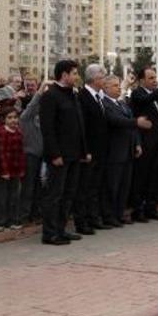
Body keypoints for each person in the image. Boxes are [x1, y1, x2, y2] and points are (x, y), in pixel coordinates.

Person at [40, 59, 90, 246]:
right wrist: (54, 154)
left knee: (69, 194)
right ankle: (50, 233)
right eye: (74, 73)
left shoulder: (72, 95)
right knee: (55, 195)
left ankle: (60, 229)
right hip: (59, 156)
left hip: (75, 154)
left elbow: (80, 125)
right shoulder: (50, 96)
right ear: (64, 75)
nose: (77, 77)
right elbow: (47, 128)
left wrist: (84, 151)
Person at [102, 75, 150, 226]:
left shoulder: (122, 104)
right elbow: (117, 121)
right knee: (112, 185)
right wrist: (136, 122)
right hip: (115, 151)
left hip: (128, 150)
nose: (118, 88)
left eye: (118, 85)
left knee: (124, 186)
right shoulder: (105, 104)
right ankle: (109, 215)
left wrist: (137, 143)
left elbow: (132, 126)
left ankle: (119, 213)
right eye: (114, 86)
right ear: (106, 88)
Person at [129, 67, 158, 222]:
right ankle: (138, 210)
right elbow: (147, 100)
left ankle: (151, 208)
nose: (154, 80)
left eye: (155, 77)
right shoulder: (137, 93)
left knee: (154, 177)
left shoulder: (156, 96)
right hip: (144, 144)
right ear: (141, 80)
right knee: (141, 178)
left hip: (157, 143)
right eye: (151, 78)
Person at [75, 64, 109, 234]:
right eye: (103, 77)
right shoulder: (82, 96)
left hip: (100, 150)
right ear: (95, 79)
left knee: (95, 187)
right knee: (85, 188)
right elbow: (83, 127)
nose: (105, 81)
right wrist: (85, 150)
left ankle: (93, 218)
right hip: (88, 151)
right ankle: (82, 221)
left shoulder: (98, 97)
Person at [0, 106, 26, 229]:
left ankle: (12, 220)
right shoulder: (1, 132)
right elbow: (1, 154)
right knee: (2, 197)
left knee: (14, 196)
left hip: (16, 169)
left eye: (15, 117)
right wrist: (4, 171)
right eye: (10, 117)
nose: (13, 120)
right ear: (4, 119)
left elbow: (21, 152)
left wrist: (22, 169)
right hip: (5, 171)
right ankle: (1, 222)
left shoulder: (18, 131)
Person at [18, 81, 45, 225]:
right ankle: (24, 215)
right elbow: (32, 106)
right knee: (28, 187)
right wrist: (39, 92)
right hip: (29, 156)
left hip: (41, 156)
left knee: (38, 187)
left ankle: (36, 213)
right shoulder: (25, 119)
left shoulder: (40, 119)